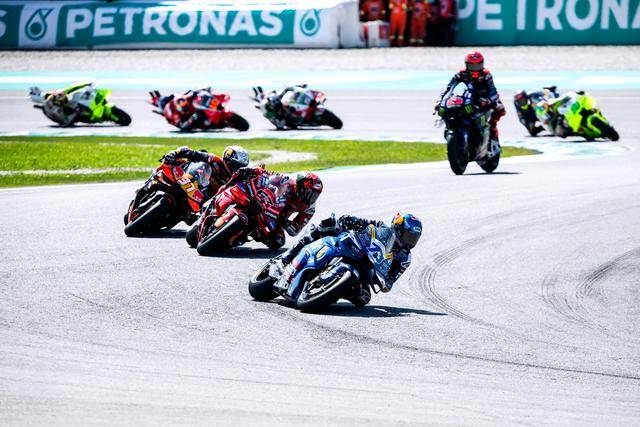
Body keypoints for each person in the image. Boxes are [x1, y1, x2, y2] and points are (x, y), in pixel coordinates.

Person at [271, 212, 422, 307]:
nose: (410, 241)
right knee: (329, 225)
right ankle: (287, 257)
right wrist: (354, 221)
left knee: (363, 298)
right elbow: (362, 222)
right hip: (357, 249)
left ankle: (330, 292)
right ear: (398, 229)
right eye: (408, 236)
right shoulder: (381, 227)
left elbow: (391, 281)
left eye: (414, 238)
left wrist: (385, 282)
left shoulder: (405, 258)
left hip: (369, 270)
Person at [228, 166, 323, 249]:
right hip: (263, 202)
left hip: (276, 219)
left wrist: (285, 222)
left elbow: (295, 231)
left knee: (278, 241)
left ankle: (250, 233)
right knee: (240, 181)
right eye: (310, 194)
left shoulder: (309, 208)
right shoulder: (286, 180)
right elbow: (266, 174)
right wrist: (251, 170)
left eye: (315, 195)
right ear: (301, 187)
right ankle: (224, 196)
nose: (312, 198)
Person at [437, 51, 505, 148]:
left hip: (485, 97)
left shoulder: (486, 74)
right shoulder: (461, 73)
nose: (475, 68)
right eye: (472, 66)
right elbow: (449, 87)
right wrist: (441, 100)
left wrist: (487, 100)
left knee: (500, 109)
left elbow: (493, 92)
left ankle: (492, 133)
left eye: (478, 65)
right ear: (466, 65)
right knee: (454, 109)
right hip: (470, 97)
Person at [162, 145, 250, 197]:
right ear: (227, 160)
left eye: (240, 167)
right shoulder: (215, 160)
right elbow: (191, 152)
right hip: (190, 183)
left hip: (203, 200)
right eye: (235, 165)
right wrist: (174, 154)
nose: (236, 169)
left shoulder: (236, 179)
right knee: (180, 160)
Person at [150, 88, 218, 131]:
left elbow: (192, 92)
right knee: (195, 122)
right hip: (177, 120)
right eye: (184, 107)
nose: (186, 107)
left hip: (173, 102)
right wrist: (191, 119)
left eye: (186, 105)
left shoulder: (182, 99)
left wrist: (202, 90)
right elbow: (182, 126)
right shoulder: (175, 116)